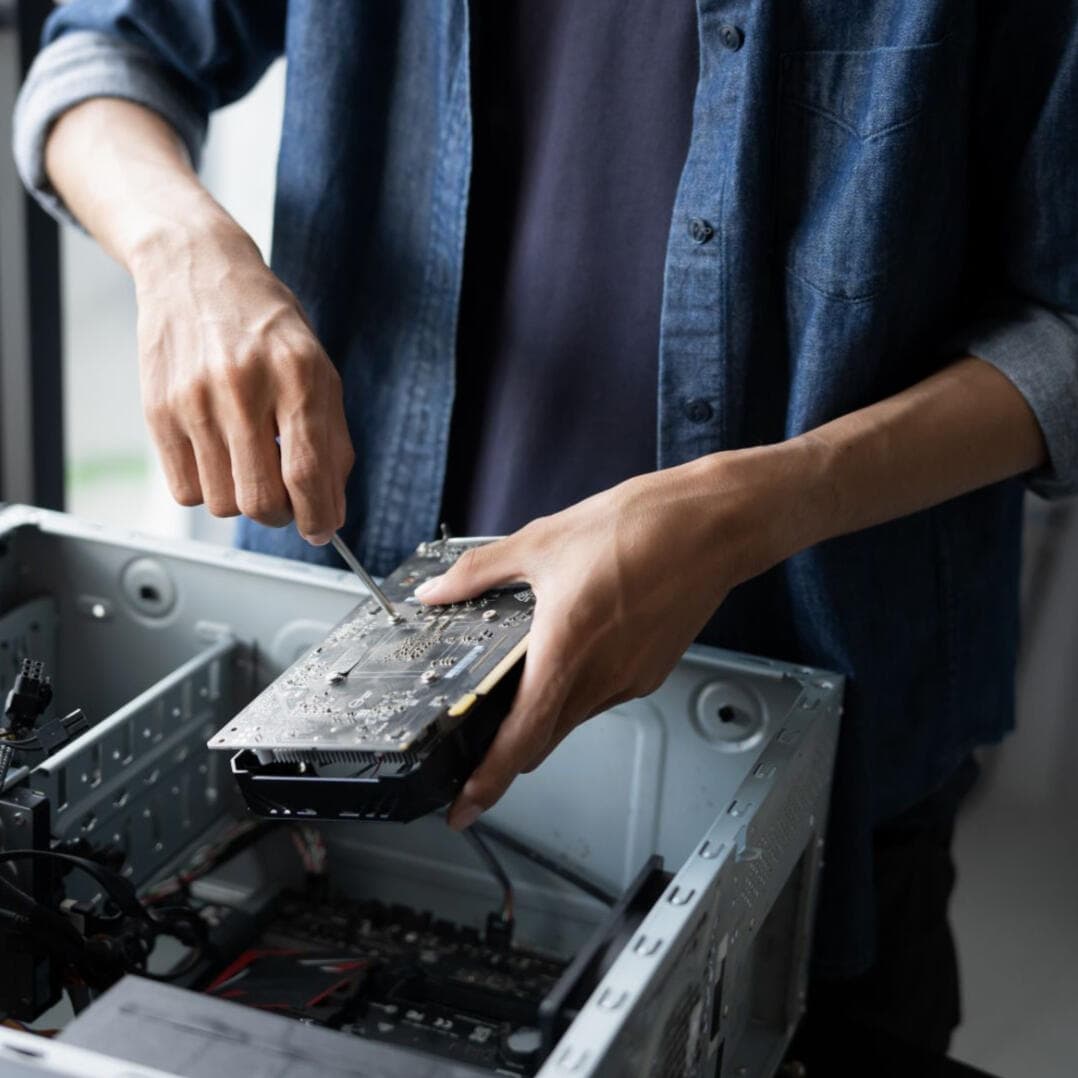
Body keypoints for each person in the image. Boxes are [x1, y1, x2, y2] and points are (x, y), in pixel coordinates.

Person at [13, 1, 1077, 1067]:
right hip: (334, 728)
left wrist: (747, 509)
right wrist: (182, 250)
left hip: (823, 751)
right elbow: (104, 52)